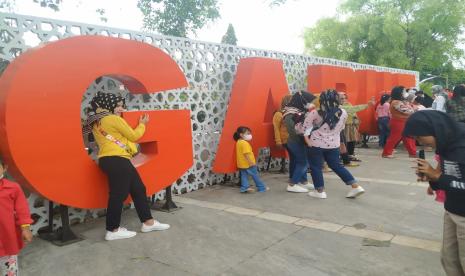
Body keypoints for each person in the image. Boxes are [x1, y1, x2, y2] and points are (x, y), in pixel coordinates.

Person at [86, 91, 169, 241]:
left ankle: (148, 222)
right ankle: (112, 230)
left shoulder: (96, 120)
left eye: (121, 105)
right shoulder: (112, 118)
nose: (121, 108)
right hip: (117, 159)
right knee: (118, 194)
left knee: (138, 189)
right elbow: (134, 136)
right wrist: (142, 124)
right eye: (117, 105)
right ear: (107, 104)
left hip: (109, 159)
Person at [403, 110, 465, 276]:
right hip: (452, 210)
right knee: (449, 260)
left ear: (435, 129)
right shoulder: (446, 142)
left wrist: (438, 176)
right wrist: (432, 178)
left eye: (419, 137)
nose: (419, 142)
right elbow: (448, 177)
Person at [303, 89, 365, 199]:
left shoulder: (315, 113)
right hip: (333, 145)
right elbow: (341, 128)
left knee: (316, 167)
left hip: (316, 144)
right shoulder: (343, 112)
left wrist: (308, 142)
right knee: (337, 166)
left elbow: (306, 129)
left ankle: (320, 191)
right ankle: (355, 186)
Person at [0, 159, 33, 276]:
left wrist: (25, 228)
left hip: (7, 239)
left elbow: (22, 210)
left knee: (9, 270)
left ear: (4, 168)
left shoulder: (13, 188)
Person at [282, 91, 316, 193]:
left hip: (300, 140)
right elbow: (291, 129)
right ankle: (292, 184)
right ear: (302, 101)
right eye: (309, 101)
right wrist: (303, 138)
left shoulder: (299, 110)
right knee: (303, 162)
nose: (310, 103)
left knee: (299, 161)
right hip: (295, 141)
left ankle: (303, 181)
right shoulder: (290, 113)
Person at [339, 92, 375, 164]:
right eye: (342, 98)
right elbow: (352, 109)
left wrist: (356, 120)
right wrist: (367, 105)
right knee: (344, 142)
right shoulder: (339, 107)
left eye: (345, 98)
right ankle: (343, 157)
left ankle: (349, 156)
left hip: (350, 124)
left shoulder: (347, 104)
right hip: (344, 126)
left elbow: (353, 111)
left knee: (351, 140)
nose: (344, 99)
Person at [382, 86, 416, 158]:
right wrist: (413, 109)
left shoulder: (400, 102)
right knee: (394, 138)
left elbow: (409, 109)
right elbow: (406, 111)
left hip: (403, 121)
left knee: (408, 138)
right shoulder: (396, 102)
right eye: (404, 91)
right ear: (399, 93)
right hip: (398, 122)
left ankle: (412, 153)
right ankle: (386, 153)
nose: (405, 93)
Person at [233, 126, 268, 193]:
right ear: (241, 134)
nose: (249, 135)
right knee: (255, 175)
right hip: (248, 164)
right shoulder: (245, 143)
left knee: (244, 176)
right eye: (247, 133)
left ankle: (244, 188)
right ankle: (261, 187)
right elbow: (246, 154)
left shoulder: (238, 142)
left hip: (241, 164)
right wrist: (251, 162)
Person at [272, 95, 292, 174]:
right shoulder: (278, 114)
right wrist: (278, 141)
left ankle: (295, 177)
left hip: (294, 139)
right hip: (286, 140)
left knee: (295, 158)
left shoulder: (293, 113)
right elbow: (276, 129)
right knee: (296, 158)